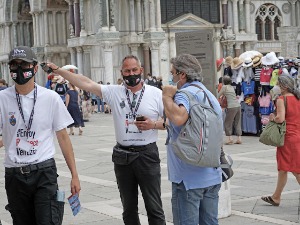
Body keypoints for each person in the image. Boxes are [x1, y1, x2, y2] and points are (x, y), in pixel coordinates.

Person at [46, 55, 166, 225]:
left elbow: (170, 122)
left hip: (147, 154)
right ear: (122, 72)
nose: (131, 74)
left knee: (154, 207)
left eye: (134, 70)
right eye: (127, 71)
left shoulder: (156, 94)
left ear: (141, 70)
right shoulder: (114, 92)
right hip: (123, 155)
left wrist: (153, 124)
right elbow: (85, 82)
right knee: (129, 208)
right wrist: (59, 71)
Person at [0, 46, 81, 225]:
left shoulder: (50, 98)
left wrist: (74, 174)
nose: (19, 69)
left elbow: (63, 138)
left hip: (43, 172)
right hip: (15, 174)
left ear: (35, 68)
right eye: (14, 65)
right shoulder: (2, 99)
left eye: (24, 65)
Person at [162, 54, 222, 225]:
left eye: (173, 73)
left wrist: (167, 96)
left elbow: (179, 118)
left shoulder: (184, 94)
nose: (171, 77)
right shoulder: (208, 94)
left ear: (182, 75)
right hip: (212, 174)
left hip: (188, 177)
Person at [261, 74, 300, 206]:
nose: (276, 86)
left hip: (287, 137)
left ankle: (276, 196)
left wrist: (272, 117)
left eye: (278, 84)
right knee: (283, 168)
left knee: (295, 169)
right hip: (297, 135)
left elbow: (281, 119)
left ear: (284, 86)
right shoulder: (297, 98)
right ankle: (276, 196)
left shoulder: (281, 99)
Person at [217, 75, 242, 144]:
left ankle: (229, 139)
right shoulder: (231, 87)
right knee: (237, 122)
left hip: (231, 107)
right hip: (238, 106)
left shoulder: (224, 87)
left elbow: (218, 95)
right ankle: (239, 138)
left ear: (223, 81)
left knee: (227, 122)